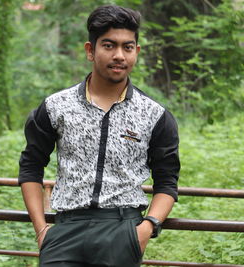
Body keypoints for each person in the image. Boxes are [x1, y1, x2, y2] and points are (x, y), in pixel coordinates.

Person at [18, 4, 180, 267]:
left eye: (127, 47)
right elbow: (30, 168)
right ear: (90, 50)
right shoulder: (56, 107)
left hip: (122, 229)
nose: (119, 55)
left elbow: (167, 181)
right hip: (66, 231)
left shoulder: (155, 115)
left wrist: (146, 228)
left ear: (136, 52)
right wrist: (41, 230)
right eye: (108, 45)